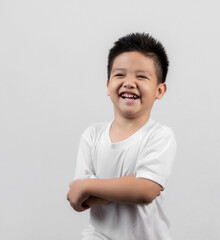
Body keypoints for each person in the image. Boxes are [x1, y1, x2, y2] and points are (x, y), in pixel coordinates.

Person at [67, 32, 177, 240]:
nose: (129, 82)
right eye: (120, 75)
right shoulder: (92, 136)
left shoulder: (160, 136)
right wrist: (126, 187)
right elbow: (77, 199)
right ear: (108, 85)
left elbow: (145, 190)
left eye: (141, 76)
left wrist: (89, 185)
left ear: (159, 90)